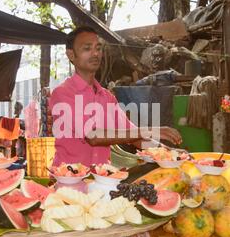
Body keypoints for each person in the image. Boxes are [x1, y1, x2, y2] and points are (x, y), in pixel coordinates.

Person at [49, 26, 182, 166]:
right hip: (70, 180)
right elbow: (93, 136)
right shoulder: (63, 93)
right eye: (87, 48)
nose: (95, 54)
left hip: (104, 180)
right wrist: (152, 130)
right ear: (71, 55)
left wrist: (170, 152)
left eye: (98, 48)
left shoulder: (107, 97)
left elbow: (133, 135)